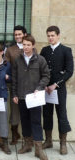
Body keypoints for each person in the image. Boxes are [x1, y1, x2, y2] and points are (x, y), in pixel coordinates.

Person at [12, 35, 49, 160]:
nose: (26, 47)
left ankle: (38, 149)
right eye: (24, 44)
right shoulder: (18, 60)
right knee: (25, 121)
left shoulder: (40, 60)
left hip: (35, 97)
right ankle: (27, 144)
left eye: (28, 45)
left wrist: (39, 87)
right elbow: (14, 79)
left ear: (33, 45)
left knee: (36, 121)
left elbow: (46, 76)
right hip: (22, 96)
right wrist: (15, 94)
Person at [41, 26, 74, 155]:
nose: (50, 38)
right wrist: (43, 84)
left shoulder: (66, 50)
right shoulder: (44, 50)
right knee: (47, 114)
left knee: (62, 114)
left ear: (58, 35)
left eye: (52, 35)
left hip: (58, 89)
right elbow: (41, 69)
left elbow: (69, 71)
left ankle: (63, 143)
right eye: (48, 35)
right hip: (46, 89)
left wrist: (56, 84)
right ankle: (48, 140)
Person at [4, 25, 27, 145]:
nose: (17, 36)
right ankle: (14, 134)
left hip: (29, 86)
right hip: (15, 85)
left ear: (25, 35)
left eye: (19, 34)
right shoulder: (10, 49)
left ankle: (29, 137)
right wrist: (7, 76)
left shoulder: (31, 48)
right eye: (16, 34)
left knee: (29, 111)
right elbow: (5, 65)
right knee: (15, 111)